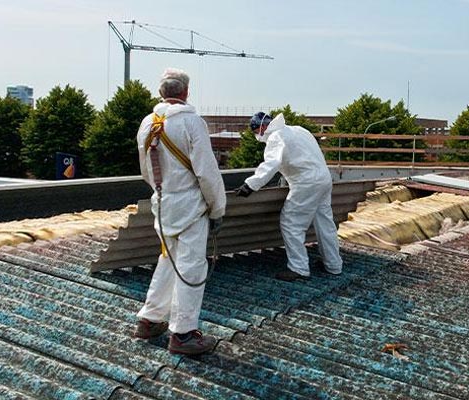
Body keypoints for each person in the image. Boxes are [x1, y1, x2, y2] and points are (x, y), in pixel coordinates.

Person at [133, 68, 226, 355]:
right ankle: (183, 334)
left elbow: (146, 171)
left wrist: (166, 193)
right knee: (191, 266)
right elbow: (207, 173)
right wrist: (217, 208)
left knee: (168, 261)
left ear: (162, 93)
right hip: (190, 208)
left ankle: (150, 319)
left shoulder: (147, 123)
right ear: (185, 92)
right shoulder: (192, 123)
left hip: (163, 205)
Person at [236, 112, 342, 281]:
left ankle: (299, 268)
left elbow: (271, 163)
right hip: (324, 179)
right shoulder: (299, 130)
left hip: (306, 183)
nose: (257, 135)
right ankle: (333, 265)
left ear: (262, 127)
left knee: (291, 222)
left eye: (255, 131)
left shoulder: (275, 137)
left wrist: (251, 184)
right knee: (325, 223)